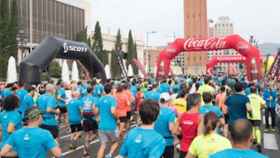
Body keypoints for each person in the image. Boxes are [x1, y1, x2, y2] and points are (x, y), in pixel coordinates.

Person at [96, 83, 119, 158]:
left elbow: (95, 111)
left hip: (101, 125)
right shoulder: (112, 99)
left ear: (104, 90)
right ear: (111, 90)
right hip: (111, 125)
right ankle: (109, 154)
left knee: (103, 145)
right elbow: (112, 111)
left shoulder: (100, 99)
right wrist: (117, 118)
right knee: (116, 142)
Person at [176, 93, 202, 158]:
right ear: (198, 103)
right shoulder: (200, 117)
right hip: (194, 149)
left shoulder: (182, 115)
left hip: (183, 147)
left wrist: (183, 135)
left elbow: (174, 130)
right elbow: (199, 136)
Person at [154, 93, 177, 158]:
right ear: (168, 101)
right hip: (168, 142)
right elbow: (171, 128)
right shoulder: (171, 112)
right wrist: (177, 138)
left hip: (156, 141)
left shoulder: (155, 111)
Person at [247, 86, 266, 152]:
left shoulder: (248, 96)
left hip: (249, 115)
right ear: (256, 91)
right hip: (257, 115)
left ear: (250, 90)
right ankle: (258, 142)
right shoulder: (258, 97)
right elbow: (264, 104)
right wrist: (261, 107)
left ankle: (254, 138)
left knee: (252, 127)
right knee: (257, 128)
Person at [81, 87, 98, 157]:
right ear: (92, 91)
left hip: (85, 117)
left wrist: (82, 118)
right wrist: (96, 115)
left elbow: (81, 110)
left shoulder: (83, 98)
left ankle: (85, 151)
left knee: (87, 135)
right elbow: (93, 107)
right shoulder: (94, 98)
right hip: (91, 117)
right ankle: (88, 142)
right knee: (95, 134)